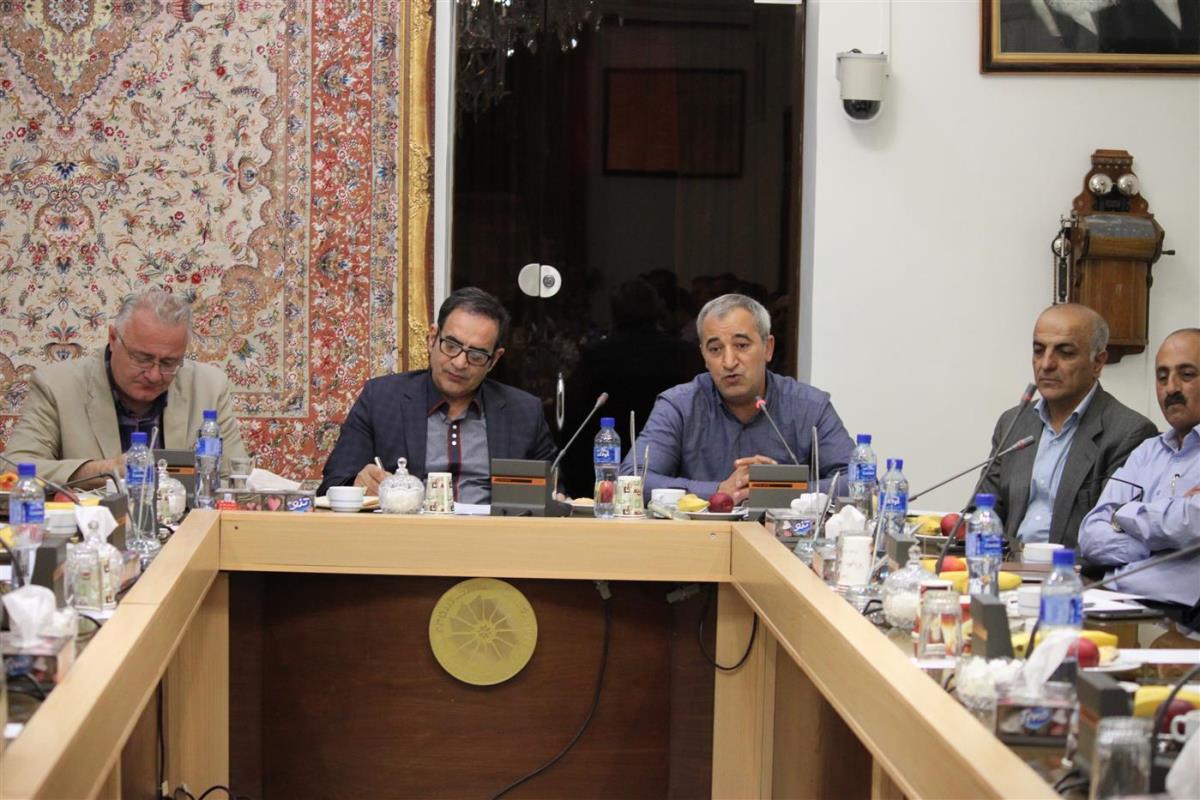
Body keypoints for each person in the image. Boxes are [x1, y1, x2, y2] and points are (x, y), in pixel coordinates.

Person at [318, 287, 557, 501]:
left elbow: (553, 495)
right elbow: (332, 485)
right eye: (451, 346)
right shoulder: (381, 399)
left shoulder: (524, 413)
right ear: (432, 338)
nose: (460, 363)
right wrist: (358, 484)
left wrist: (555, 497)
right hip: (405, 532)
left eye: (476, 355)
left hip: (493, 534)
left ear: (494, 360)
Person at [619, 293, 853, 503]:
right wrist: (719, 490)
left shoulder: (810, 406)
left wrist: (786, 489)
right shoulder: (680, 405)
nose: (729, 362)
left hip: (782, 536)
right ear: (703, 355)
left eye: (741, 345)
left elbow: (857, 480)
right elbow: (631, 479)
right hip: (702, 536)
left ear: (768, 348)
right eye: (715, 349)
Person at [3, 288, 247, 485]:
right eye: (142, 358)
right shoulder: (57, 386)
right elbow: (11, 472)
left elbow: (237, 480)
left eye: (169, 363)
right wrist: (106, 470)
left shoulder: (209, 386)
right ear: (113, 339)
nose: (154, 375)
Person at [981, 304, 1156, 551]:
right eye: (1039, 350)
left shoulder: (1129, 433)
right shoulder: (1013, 423)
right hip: (1006, 564)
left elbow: (1113, 535)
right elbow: (983, 510)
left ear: (1098, 362)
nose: (1046, 364)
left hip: (1072, 570)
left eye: (1064, 353)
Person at [1079, 328, 1200, 626]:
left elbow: (1191, 520)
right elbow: (1090, 534)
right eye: (1162, 377)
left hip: (1181, 620)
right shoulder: (1147, 451)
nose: (1171, 388)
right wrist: (1157, 544)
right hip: (1112, 601)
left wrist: (1123, 515)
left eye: (1186, 375)